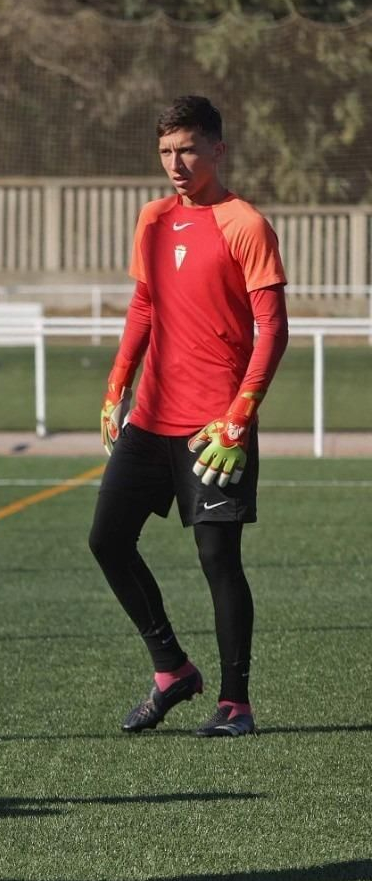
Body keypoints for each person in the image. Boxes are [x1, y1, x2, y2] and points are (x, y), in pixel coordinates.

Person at [90, 95, 288, 739]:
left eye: (189, 150)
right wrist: (117, 384)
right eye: (167, 152)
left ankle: (236, 704)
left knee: (217, 560)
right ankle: (172, 669)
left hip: (214, 429)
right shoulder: (152, 218)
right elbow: (145, 305)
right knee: (107, 540)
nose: (176, 164)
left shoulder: (245, 224)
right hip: (151, 419)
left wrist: (240, 418)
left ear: (218, 151)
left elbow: (273, 330)